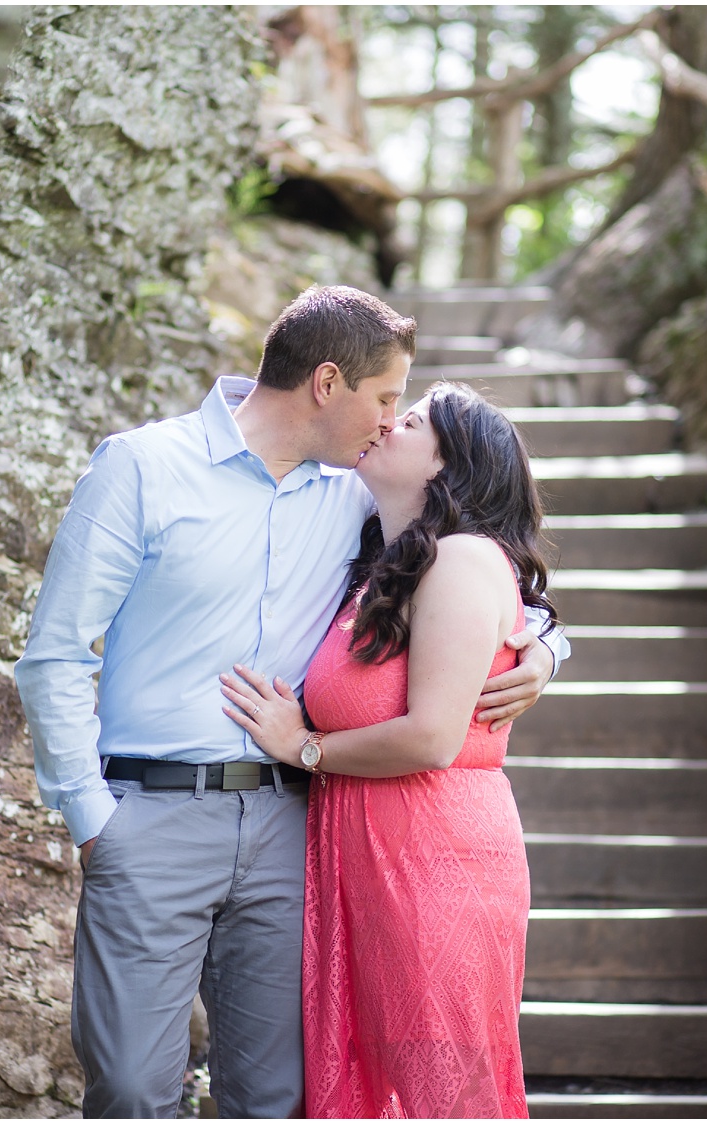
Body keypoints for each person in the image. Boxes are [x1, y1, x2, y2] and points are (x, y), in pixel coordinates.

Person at [15, 286, 563, 1118]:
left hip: (295, 829)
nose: (390, 421)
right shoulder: (143, 467)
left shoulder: (357, 501)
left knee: (276, 1095)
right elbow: (55, 654)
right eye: (386, 399)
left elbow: (486, 568)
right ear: (327, 383)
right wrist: (92, 818)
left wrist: (549, 650)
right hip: (150, 816)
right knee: (129, 1087)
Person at [221, 381, 546, 1117]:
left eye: (409, 421)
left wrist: (302, 747)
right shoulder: (380, 561)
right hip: (362, 852)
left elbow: (432, 736)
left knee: (438, 1094)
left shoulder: (462, 561)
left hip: (435, 859)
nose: (384, 426)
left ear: (448, 465)